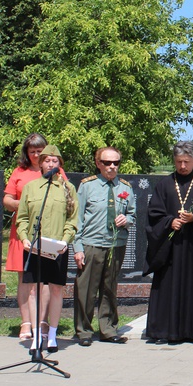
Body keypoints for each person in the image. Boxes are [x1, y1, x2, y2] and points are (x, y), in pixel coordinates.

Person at [143, 141, 193, 344]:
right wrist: (170, 221)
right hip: (170, 250)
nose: (182, 166)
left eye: (186, 162)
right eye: (179, 161)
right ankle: (163, 331)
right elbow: (153, 214)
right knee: (167, 286)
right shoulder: (164, 186)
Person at [16, 144, 78, 352]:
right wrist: (24, 237)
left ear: (60, 165)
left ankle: (52, 334)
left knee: (56, 289)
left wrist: (65, 240)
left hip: (58, 247)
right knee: (33, 289)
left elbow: (72, 219)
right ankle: (35, 335)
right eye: (47, 161)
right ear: (41, 164)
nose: (51, 164)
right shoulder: (31, 188)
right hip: (34, 246)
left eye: (55, 161)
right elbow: (22, 217)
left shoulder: (68, 188)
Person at [73, 146, 136, 347]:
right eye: (107, 163)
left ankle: (108, 329)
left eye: (116, 163)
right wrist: (78, 247)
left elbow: (133, 215)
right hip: (92, 243)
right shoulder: (87, 186)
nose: (111, 167)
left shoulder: (125, 187)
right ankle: (83, 330)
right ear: (98, 163)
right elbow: (77, 219)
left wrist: (125, 219)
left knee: (109, 288)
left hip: (115, 244)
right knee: (86, 289)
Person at [3, 133, 48, 342]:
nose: (37, 155)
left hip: (47, 231)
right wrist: (27, 205)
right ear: (26, 153)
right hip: (22, 231)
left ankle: (42, 322)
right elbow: (7, 200)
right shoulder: (19, 172)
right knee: (24, 279)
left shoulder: (56, 172)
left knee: (43, 280)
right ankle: (26, 322)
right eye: (33, 152)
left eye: (40, 151)